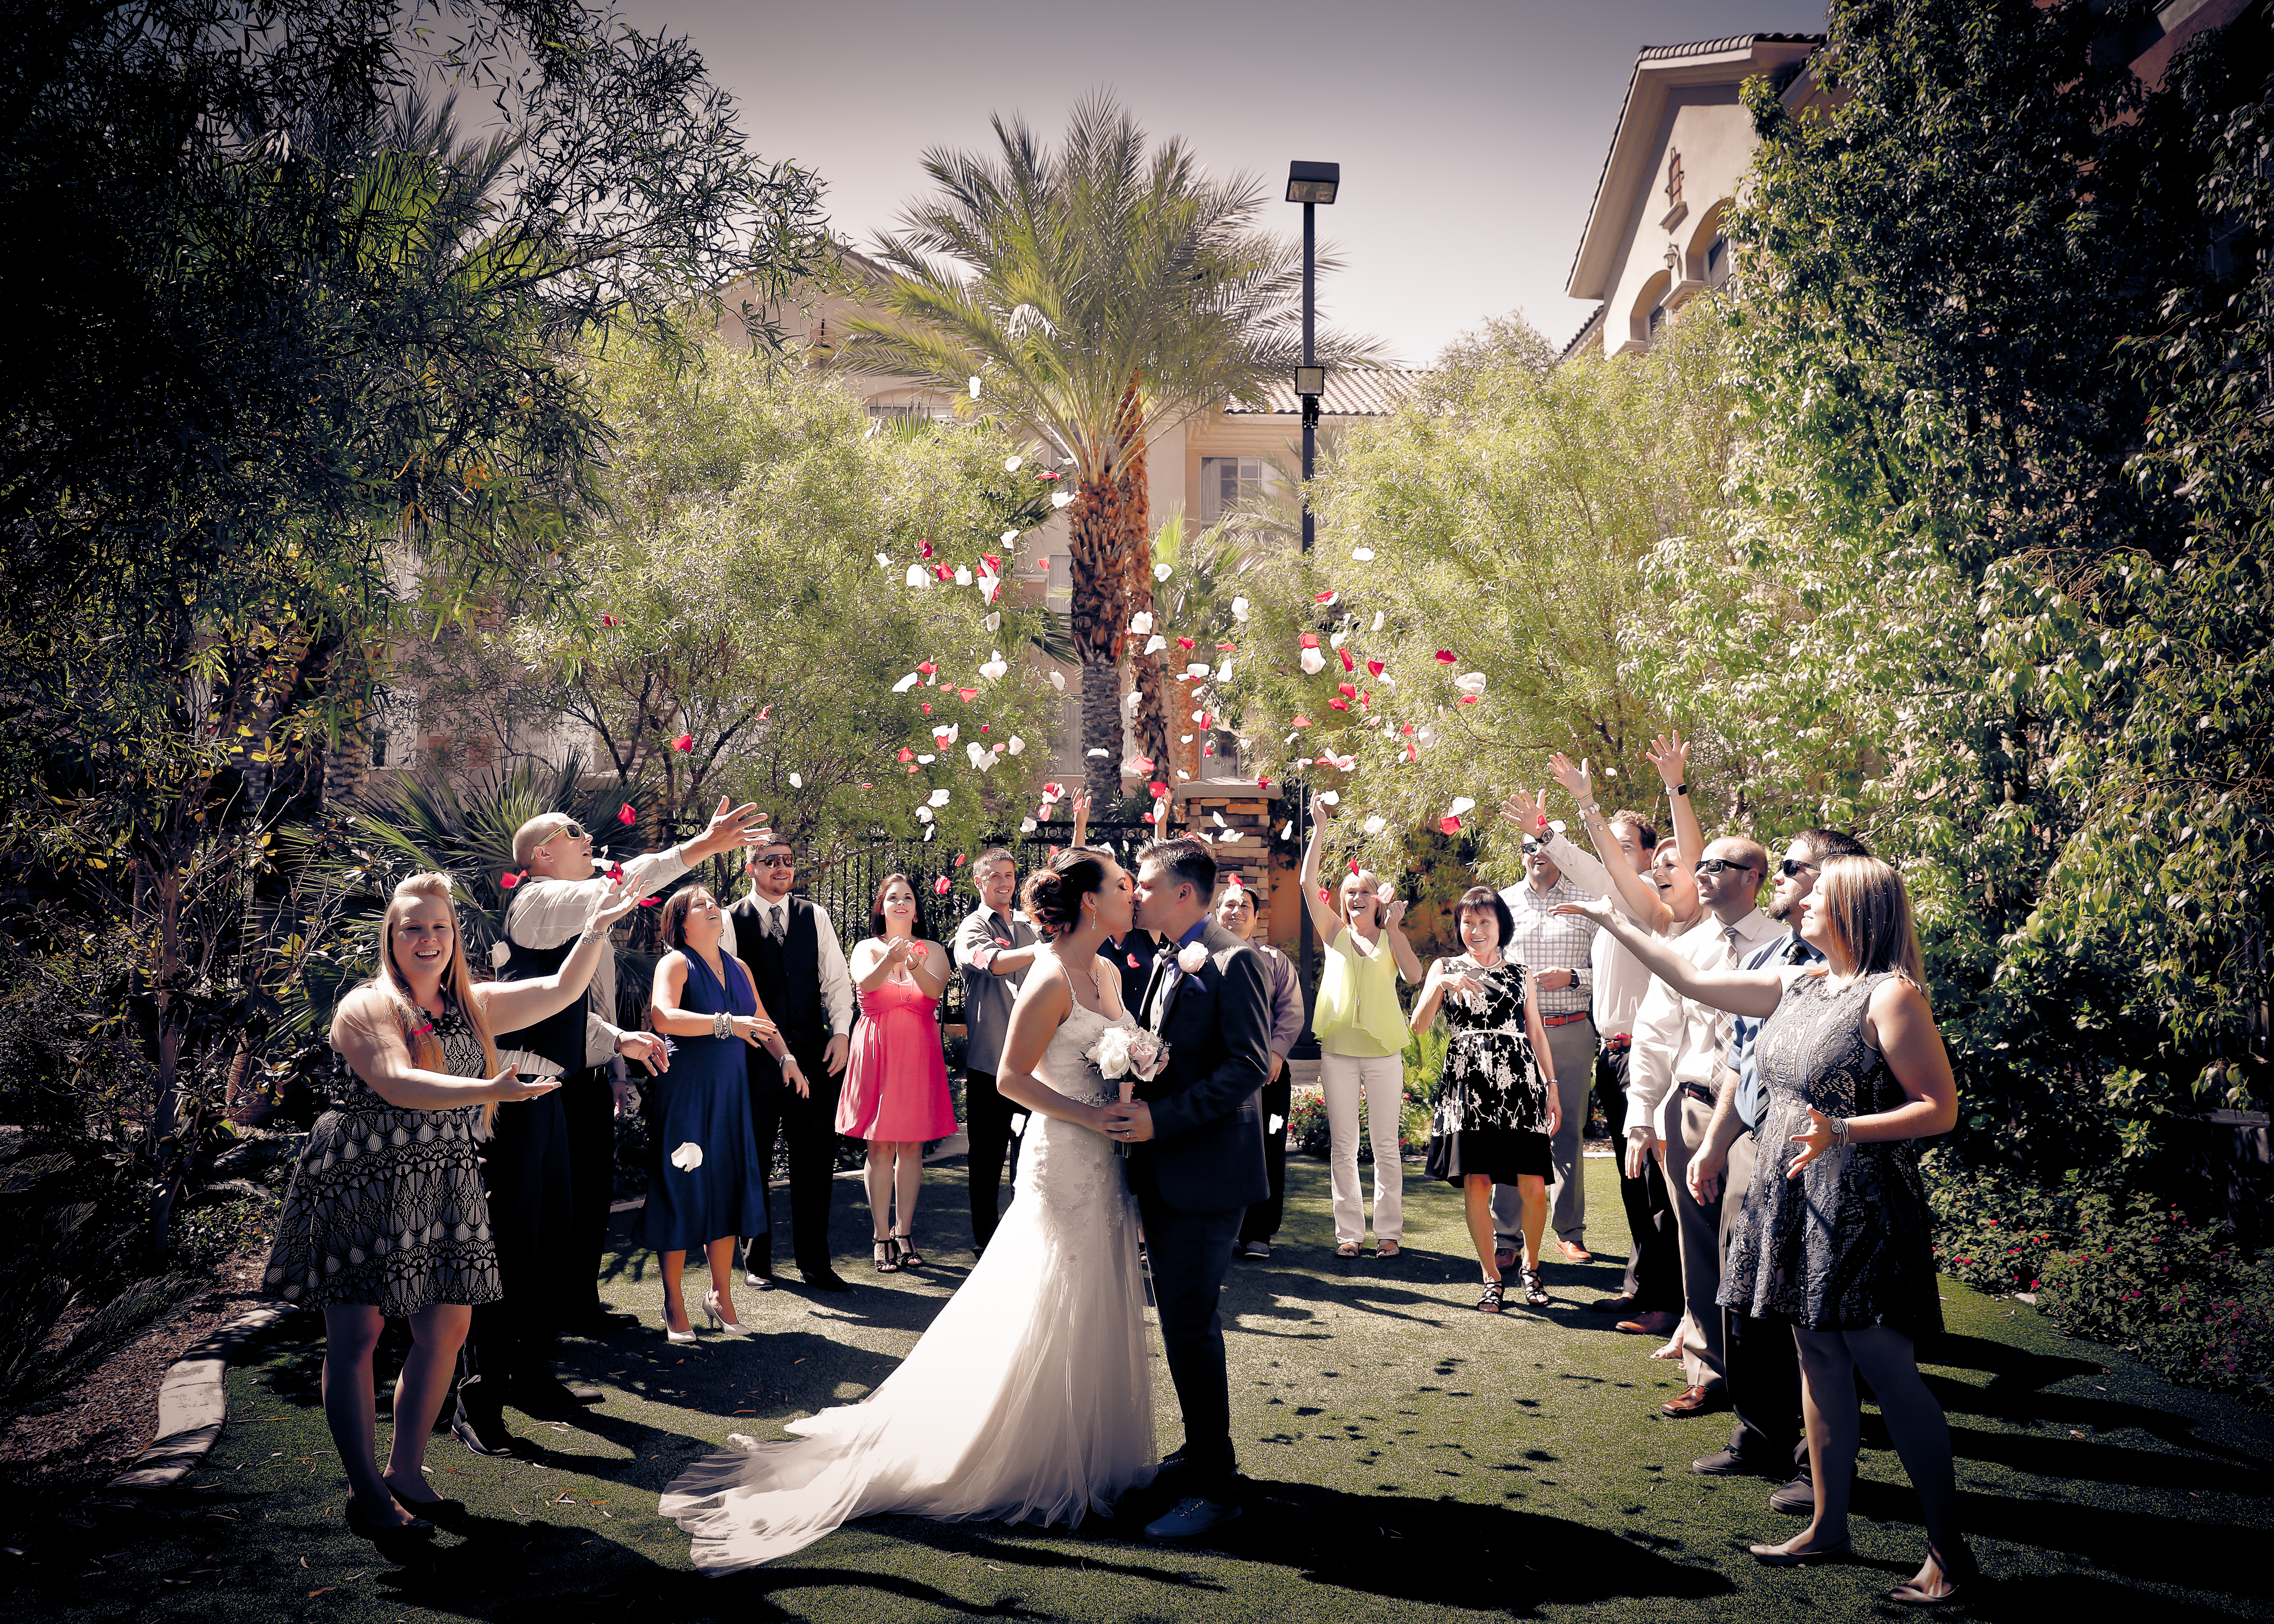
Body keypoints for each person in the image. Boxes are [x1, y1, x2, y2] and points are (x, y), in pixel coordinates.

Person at [659, 847, 1158, 1570]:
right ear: (1088, 901)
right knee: (1046, 1291)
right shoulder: (1049, 972)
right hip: (1064, 1153)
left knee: (1094, 1293)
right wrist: (1090, 1116)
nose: (1132, 893)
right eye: (1120, 885)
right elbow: (1014, 1078)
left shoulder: (1108, 970)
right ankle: (1024, 1448)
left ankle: (1087, 1445)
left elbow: (1119, 1048)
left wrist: (1136, 1071)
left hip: (1102, 1160)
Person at [1557, 856, 1974, 1604]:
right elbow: (1688, 979)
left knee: (1885, 1368)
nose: (1804, 900)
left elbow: (1938, 1107)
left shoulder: (1893, 996)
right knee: (1815, 1357)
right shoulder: (1799, 980)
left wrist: (1844, 1128)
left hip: (1860, 1201)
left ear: (1857, 909)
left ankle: (1950, 1553)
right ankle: (1827, 1523)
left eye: (1820, 893)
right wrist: (1610, 921)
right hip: (1792, 1199)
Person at [265, 871, 635, 1548]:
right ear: (391, 937)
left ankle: (406, 1471)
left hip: (444, 1176)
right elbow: (395, 1080)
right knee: (358, 1339)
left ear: (455, 936)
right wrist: (485, 1087)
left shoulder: (471, 1006)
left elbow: (560, 991)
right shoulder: (366, 1006)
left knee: (448, 1330)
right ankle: (367, 1491)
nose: (427, 938)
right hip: (366, 1175)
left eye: (439, 927)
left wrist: (598, 927)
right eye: (413, 927)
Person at [456, 798, 762, 1457]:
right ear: (540, 857)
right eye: (573, 833)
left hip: (552, 1094)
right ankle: (477, 1396)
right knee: (513, 1247)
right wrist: (699, 848)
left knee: (551, 1245)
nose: (587, 836)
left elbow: (556, 1007)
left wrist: (618, 1036)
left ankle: (531, 1377)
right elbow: (623, 886)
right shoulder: (539, 901)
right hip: (514, 1101)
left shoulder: (563, 914)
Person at [1685, 830, 1870, 1514]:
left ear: (1836, 882)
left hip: (1826, 1166)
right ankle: (1761, 1432)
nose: (1782, 875)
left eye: (1794, 867)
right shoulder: (1775, 957)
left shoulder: (1859, 971)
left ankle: (1814, 1466)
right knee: (1745, 1301)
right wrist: (1712, 1145)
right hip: (1755, 1146)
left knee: (1816, 1319)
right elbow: (1741, 1061)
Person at [1103, 834, 1274, 1538]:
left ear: (1182, 892)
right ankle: (1200, 1451)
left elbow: (1249, 1067)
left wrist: (1159, 1120)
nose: (1135, 893)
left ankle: (1216, 1485)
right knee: (1179, 1322)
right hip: (1167, 1171)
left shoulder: (1235, 961)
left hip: (1207, 1175)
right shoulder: (1172, 956)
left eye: (1143, 883)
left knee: (1193, 1324)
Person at [1622, 834, 1782, 1417]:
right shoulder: (1687, 947)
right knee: (1698, 1250)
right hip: (1688, 1106)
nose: (1706, 873)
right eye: (1703, 864)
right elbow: (1654, 1035)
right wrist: (1641, 1116)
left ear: (1755, 878)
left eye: (1722, 865)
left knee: (1747, 1244)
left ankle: (1768, 1385)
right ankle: (1708, 1373)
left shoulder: (1786, 946)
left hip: (1751, 1118)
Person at [643, 886, 783, 1342]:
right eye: (699, 904)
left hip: (730, 1094)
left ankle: (720, 1295)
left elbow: (761, 1021)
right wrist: (727, 1024)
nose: (711, 907)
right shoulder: (675, 962)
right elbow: (662, 1017)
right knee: (682, 1188)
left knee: (726, 1188)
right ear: (680, 921)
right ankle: (674, 1301)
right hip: (685, 1090)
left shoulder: (739, 967)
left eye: (712, 902)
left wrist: (788, 1059)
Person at [1410, 886, 1558, 1311]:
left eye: (1484, 922)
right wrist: (1437, 983)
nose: (1475, 930)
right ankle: (1491, 1277)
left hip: (1520, 1084)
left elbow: (1535, 1032)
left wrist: (1551, 1088)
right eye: (1467, 922)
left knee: (1532, 1184)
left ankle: (1530, 1267)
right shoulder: (1445, 966)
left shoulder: (1520, 972)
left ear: (1500, 926)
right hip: (1467, 1085)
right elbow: (1419, 1026)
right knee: (1476, 1181)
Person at [722, 837, 856, 1293]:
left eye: (788, 861)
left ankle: (815, 1263)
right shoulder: (726, 921)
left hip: (814, 1057)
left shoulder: (813, 916)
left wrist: (840, 1032)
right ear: (750, 868)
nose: (782, 868)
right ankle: (756, 1262)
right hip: (752, 1060)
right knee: (754, 1160)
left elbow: (837, 981)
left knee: (815, 1161)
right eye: (771, 861)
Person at [1299, 795, 1424, 1259]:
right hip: (1337, 1051)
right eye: (1349, 891)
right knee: (1344, 1146)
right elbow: (1307, 883)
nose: (1354, 898)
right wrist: (1319, 828)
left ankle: (1388, 1232)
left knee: (1386, 1145)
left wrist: (1395, 929)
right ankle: (1349, 1234)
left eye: (1363, 891)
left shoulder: (1392, 935)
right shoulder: (1333, 933)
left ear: (1378, 898)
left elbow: (1414, 976)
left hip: (1383, 1052)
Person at [1494, 805, 1609, 1267]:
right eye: (1528, 847)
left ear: (1559, 851)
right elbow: (1488, 960)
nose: (1535, 853)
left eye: (1543, 845)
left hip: (1571, 1031)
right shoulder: (1501, 903)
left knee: (1568, 1134)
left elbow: (1607, 971)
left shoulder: (1588, 899)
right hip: (1517, 1036)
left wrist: (1573, 978)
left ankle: (1570, 1231)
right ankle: (1506, 1236)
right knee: (1511, 1134)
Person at [838, 874, 956, 1270]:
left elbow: (935, 991)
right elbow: (865, 982)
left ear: (917, 909)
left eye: (907, 898)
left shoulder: (935, 950)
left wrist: (915, 963)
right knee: (880, 1145)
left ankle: (905, 1233)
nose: (900, 903)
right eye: (892, 897)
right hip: (876, 1051)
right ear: (881, 907)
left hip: (918, 1052)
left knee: (911, 1146)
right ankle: (880, 1235)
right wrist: (890, 958)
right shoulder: (865, 948)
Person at [951, 848, 1042, 1254]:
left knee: (1031, 1156)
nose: (1004, 882)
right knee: (987, 1157)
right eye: (995, 877)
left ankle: (1027, 1236)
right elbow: (989, 961)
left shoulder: (1031, 925)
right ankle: (986, 1240)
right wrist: (1040, 951)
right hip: (991, 1062)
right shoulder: (971, 927)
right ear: (979, 882)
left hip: (1036, 1062)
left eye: (1009, 875)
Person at [1214, 877, 1304, 1260]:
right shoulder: (1200, 956)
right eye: (1228, 906)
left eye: (1244, 907)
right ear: (1215, 913)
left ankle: (1258, 1232)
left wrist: (1277, 1054)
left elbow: (1291, 1010)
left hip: (1267, 1075)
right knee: (1216, 1150)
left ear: (1255, 919)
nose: (1235, 912)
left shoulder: (1273, 960)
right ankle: (1216, 1230)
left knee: (1268, 1147)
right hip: (1216, 1076)